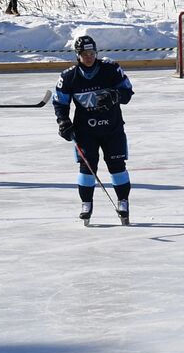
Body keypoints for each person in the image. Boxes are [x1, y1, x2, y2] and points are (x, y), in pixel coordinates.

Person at [53, 35, 134, 224]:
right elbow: (60, 102)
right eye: (84, 54)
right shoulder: (68, 76)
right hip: (85, 131)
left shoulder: (111, 69)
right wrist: (63, 121)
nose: (89, 57)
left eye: (92, 53)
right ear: (77, 55)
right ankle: (86, 204)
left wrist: (114, 95)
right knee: (87, 168)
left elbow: (127, 93)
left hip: (112, 129)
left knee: (117, 166)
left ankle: (123, 201)